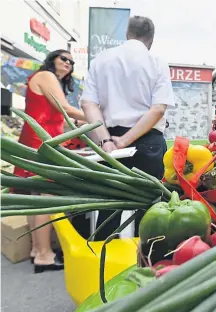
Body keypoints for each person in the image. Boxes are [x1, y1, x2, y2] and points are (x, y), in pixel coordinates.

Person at [80, 16, 175, 240]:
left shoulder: (100, 60)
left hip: (109, 142)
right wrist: (126, 141)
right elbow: (158, 109)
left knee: (109, 205)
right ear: (151, 38)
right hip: (147, 142)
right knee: (150, 210)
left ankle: (102, 263)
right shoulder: (156, 61)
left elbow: (88, 103)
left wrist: (107, 140)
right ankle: (145, 263)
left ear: (127, 34)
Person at [13, 49, 87, 273]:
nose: (68, 64)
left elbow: (61, 119)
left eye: (71, 62)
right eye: (63, 58)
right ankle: (45, 254)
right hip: (42, 143)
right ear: (52, 59)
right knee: (46, 197)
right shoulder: (46, 76)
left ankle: (38, 250)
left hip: (36, 141)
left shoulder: (43, 79)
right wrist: (98, 117)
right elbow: (65, 109)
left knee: (36, 198)